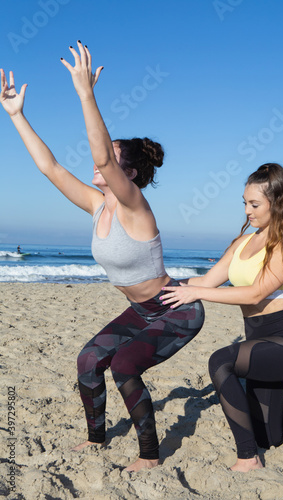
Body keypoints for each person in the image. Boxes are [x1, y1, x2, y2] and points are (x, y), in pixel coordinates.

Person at [0, 42, 204, 472]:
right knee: (88, 361)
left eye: (112, 156)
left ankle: (150, 455)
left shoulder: (135, 207)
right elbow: (51, 169)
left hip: (175, 311)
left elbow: (98, 156)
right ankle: (96, 440)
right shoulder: (99, 206)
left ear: (127, 173)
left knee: (126, 366)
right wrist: (16, 115)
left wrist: (86, 94)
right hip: (139, 310)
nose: (100, 161)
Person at [161, 163, 283, 472]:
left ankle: (248, 458)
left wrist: (198, 294)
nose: (247, 211)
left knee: (220, 362)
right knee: (271, 437)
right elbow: (206, 282)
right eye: (245, 203)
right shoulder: (241, 244)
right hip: (259, 344)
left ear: (277, 204)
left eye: (255, 204)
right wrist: (167, 284)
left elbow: (253, 294)